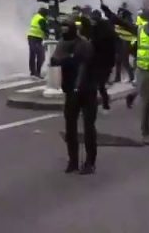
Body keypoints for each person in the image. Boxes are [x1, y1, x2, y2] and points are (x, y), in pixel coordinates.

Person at [104, 4, 149, 144]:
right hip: (144, 72)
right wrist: (108, 13)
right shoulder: (140, 30)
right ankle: (145, 134)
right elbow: (121, 23)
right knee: (146, 104)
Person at [50, 15, 97, 175]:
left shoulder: (84, 44)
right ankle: (73, 161)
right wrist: (68, 59)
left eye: (66, 28)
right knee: (70, 128)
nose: (63, 31)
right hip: (70, 91)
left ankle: (90, 162)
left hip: (88, 90)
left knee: (89, 128)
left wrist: (68, 60)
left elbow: (84, 63)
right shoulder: (63, 44)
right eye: (62, 28)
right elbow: (54, 60)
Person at [87, 9, 118, 109]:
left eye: (93, 20)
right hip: (94, 62)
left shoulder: (106, 32)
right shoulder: (93, 29)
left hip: (104, 63)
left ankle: (105, 103)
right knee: (94, 86)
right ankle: (93, 105)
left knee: (100, 85)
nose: (92, 22)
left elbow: (109, 48)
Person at [112, 5, 136, 84]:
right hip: (121, 42)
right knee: (118, 60)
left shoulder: (126, 22)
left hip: (126, 42)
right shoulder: (123, 21)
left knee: (124, 60)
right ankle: (118, 77)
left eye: (120, 13)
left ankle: (132, 76)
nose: (118, 14)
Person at [27, 7, 49, 78]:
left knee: (32, 55)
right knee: (41, 56)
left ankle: (33, 72)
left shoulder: (35, 16)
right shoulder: (41, 19)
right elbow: (45, 30)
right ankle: (37, 72)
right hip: (36, 38)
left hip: (31, 37)